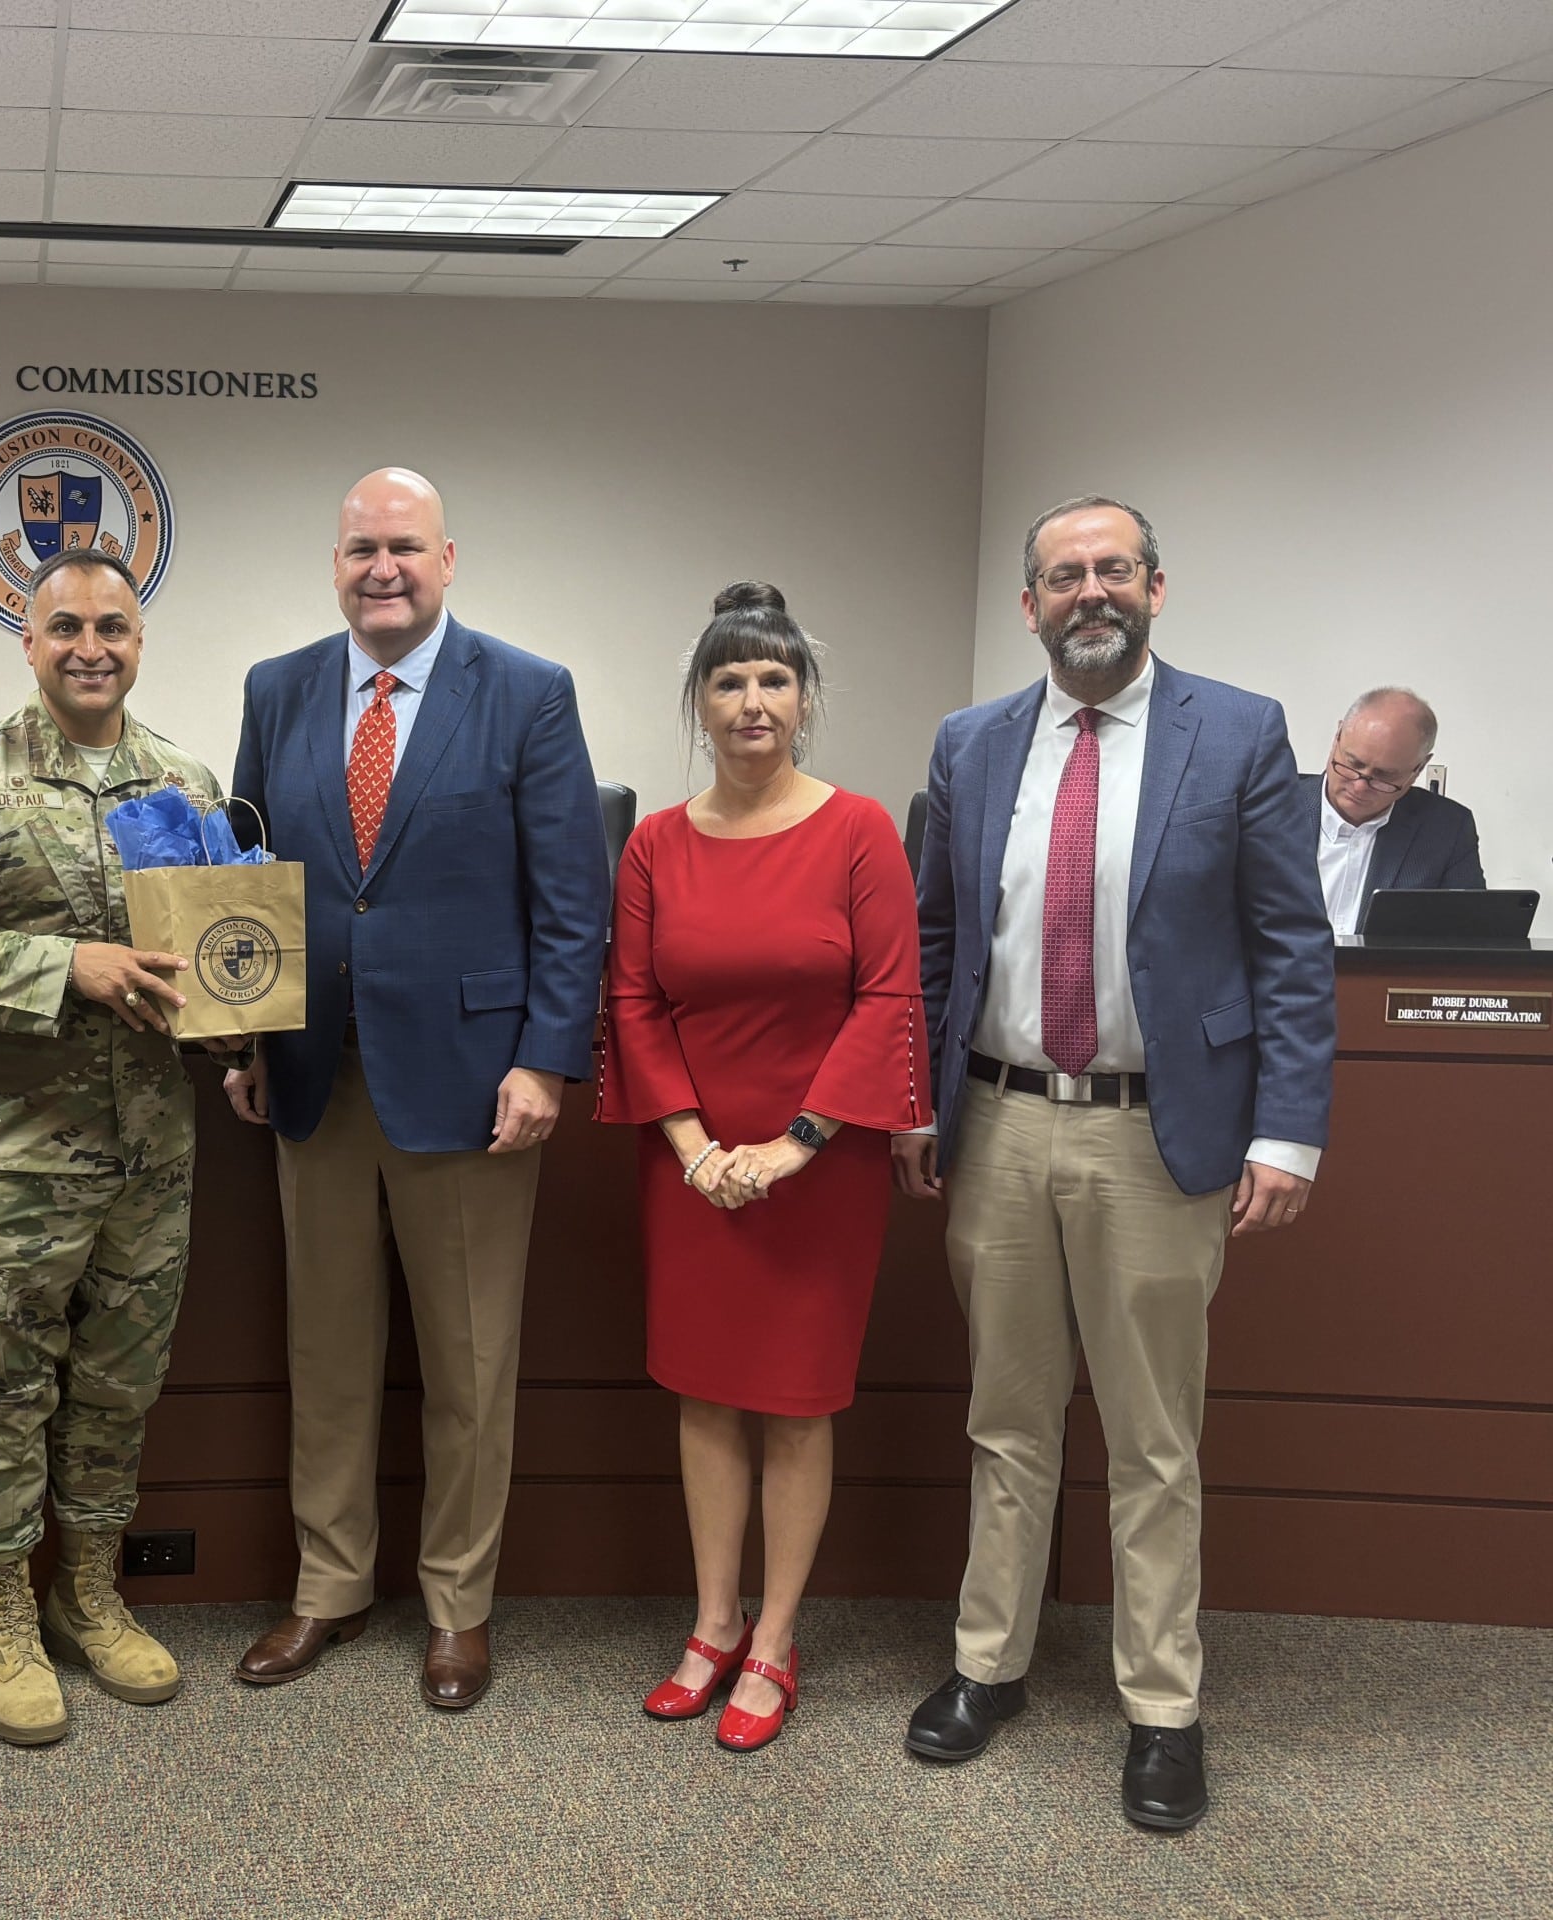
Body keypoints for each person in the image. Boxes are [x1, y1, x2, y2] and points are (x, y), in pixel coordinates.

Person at [894, 496, 1334, 1830]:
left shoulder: (1239, 733)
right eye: (1062, 575)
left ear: (1154, 587)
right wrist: (917, 1102)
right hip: (1003, 1120)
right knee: (1006, 1420)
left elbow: (1291, 949)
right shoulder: (970, 745)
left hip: (1161, 1131)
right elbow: (931, 941)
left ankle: (1163, 1705)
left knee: (1154, 1438)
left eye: (1111, 571)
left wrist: (1287, 1128)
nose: (1090, 592)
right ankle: (991, 1666)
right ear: (1027, 604)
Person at [226, 467, 610, 1711]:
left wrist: (546, 1058)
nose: (379, 569)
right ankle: (327, 1587)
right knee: (325, 1358)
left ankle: (458, 1605)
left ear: (448, 559)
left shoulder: (527, 692)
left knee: (469, 1364)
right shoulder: (277, 689)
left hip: (471, 1084)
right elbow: (253, 883)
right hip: (311, 1077)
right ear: (332, 565)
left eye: (403, 547)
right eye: (358, 551)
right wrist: (241, 1040)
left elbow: (570, 900)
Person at [0, 547, 224, 1748]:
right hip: (19, 1158)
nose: (90, 646)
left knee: (120, 1390)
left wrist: (242, 1010)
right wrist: (62, 966)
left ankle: (89, 1593)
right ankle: (3, 1612)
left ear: (138, 640)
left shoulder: (186, 781)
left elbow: (226, 951)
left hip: (151, 1155)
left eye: (113, 628)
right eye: (65, 625)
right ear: (28, 641)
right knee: (4, 1393)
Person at [598, 582, 930, 1753]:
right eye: (729, 681)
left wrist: (793, 1148)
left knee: (791, 1404)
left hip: (815, 1167)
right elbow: (633, 1001)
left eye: (773, 680)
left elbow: (889, 997)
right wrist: (693, 1149)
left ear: (804, 701)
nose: (751, 701)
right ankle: (710, 1623)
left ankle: (776, 1639)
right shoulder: (652, 843)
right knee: (702, 1394)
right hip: (690, 1165)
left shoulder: (859, 830)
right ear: (699, 702)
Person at [1308, 687, 1484, 931]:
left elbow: (1470, 937)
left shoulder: (1447, 828)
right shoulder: (1270, 805)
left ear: (1419, 768)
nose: (1359, 787)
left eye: (1384, 776)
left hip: (1386, 970)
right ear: (1337, 735)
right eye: (1353, 763)